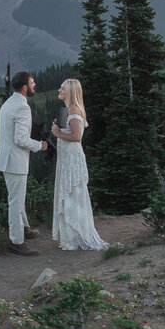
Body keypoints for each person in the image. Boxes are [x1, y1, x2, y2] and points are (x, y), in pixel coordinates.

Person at [51, 78, 108, 251]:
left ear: (70, 91)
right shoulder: (70, 109)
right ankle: (71, 239)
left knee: (73, 195)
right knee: (71, 196)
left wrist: (57, 133)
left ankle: (76, 238)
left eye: (62, 88)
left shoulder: (73, 109)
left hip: (71, 159)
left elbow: (76, 137)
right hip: (67, 159)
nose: (59, 90)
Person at [0, 71, 48, 256]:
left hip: (7, 160)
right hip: (15, 162)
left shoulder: (9, 103)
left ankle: (24, 228)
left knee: (17, 197)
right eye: (33, 83)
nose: (35, 85)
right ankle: (16, 242)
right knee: (16, 201)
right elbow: (20, 139)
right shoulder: (22, 108)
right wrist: (40, 146)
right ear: (25, 88)